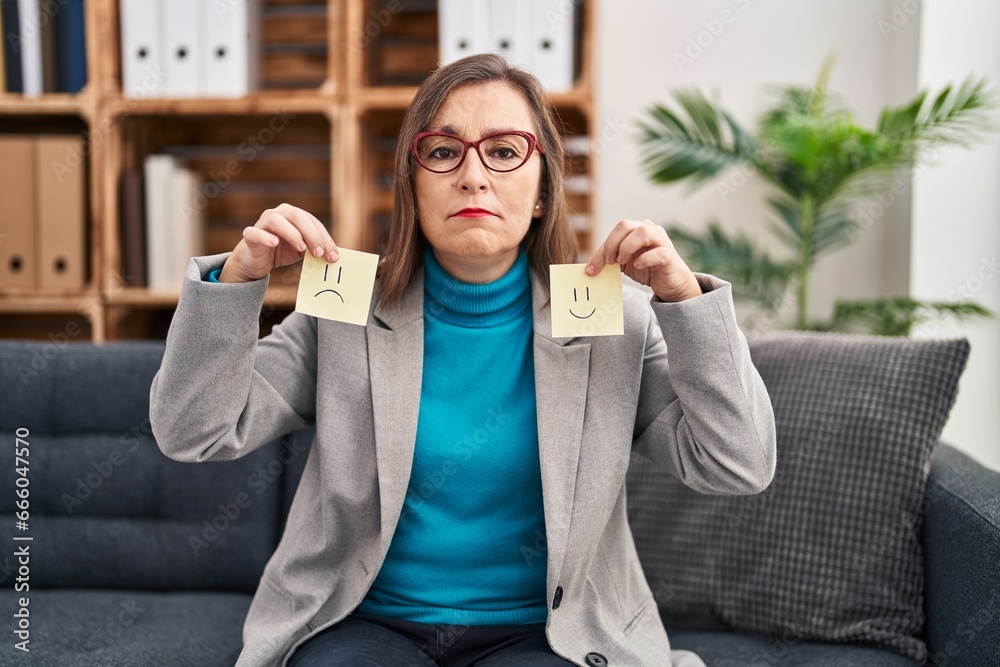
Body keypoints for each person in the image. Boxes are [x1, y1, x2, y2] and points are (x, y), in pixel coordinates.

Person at [150, 53, 776, 667]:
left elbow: (736, 463)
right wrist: (236, 284)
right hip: (364, 622)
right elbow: (194, 431)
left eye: (504, 152)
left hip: (545, 633)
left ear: (541, 192)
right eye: (444, 152)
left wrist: (683, 302)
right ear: (413, 187)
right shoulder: (343, 313)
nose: (473, 176)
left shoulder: (615, 320)